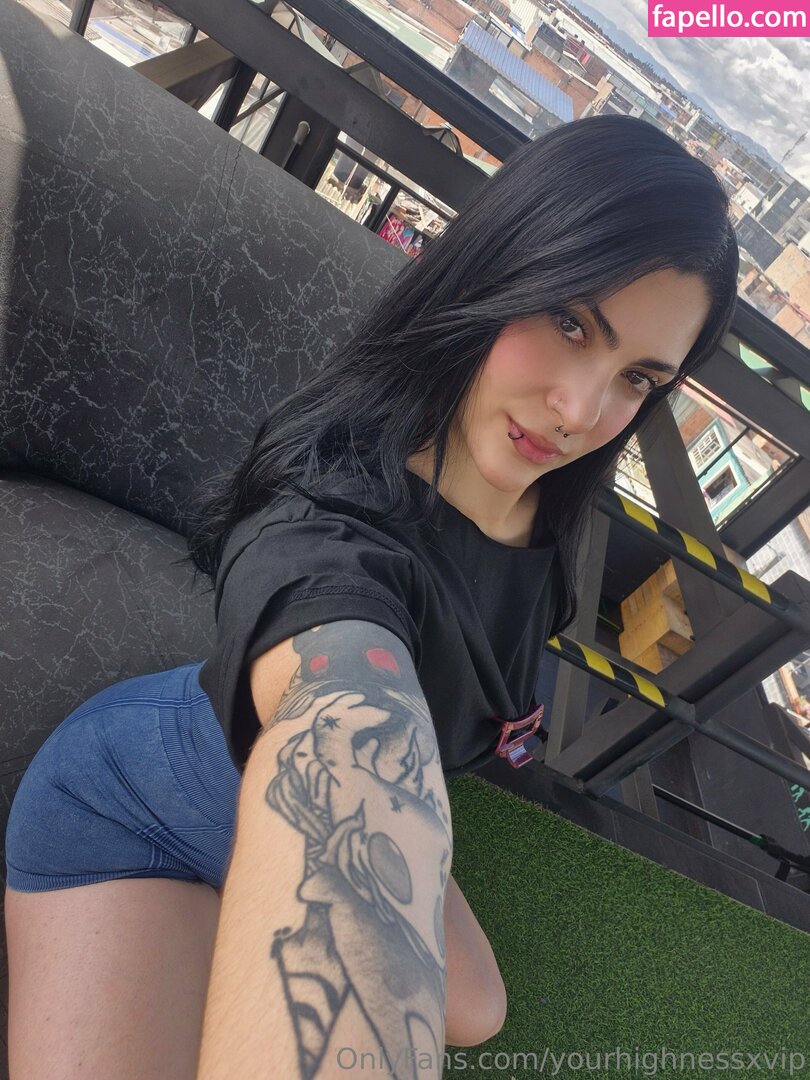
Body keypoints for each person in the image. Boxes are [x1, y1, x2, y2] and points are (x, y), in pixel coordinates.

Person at [4, 114, 739, 1080]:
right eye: (569, 322)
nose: (580, 411)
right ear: (499, 271)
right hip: (133, 813)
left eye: (636, 377)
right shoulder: (325, 524)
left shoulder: (545, 515)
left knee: (477, 1009)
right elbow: (343, 688)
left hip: (246, 807)